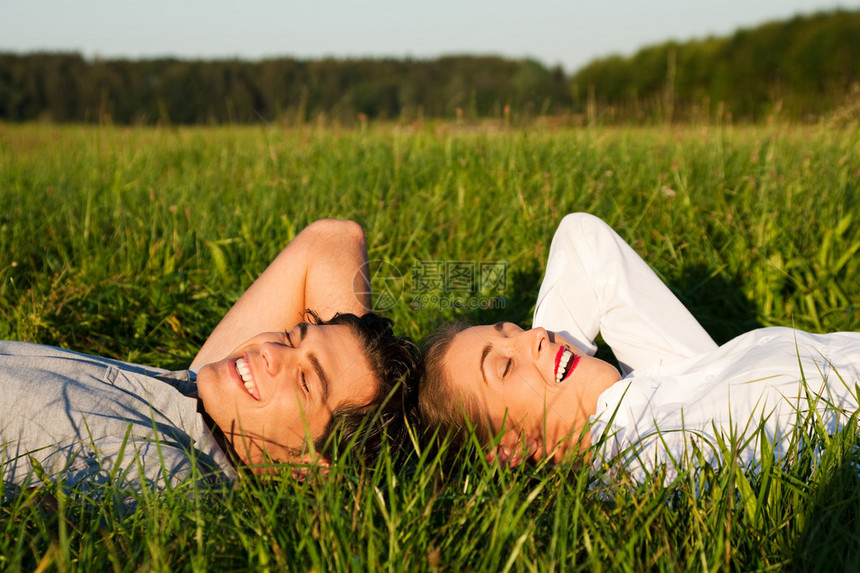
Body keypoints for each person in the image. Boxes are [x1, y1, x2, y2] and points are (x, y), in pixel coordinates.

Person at [419, 213, 860, 482]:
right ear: (510, 448)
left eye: (510, 329)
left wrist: (545, 365)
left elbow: (583, 239)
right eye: (503, 367)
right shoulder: (655, 456)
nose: (533, 335)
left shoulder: (653, 385)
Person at [1, 219, 420, 491]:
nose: (271, 349)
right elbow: (332, 240)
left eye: (306, 380)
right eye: (293, 337)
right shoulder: (199, 397)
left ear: (308, 468)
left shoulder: (164, 477)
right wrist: (381, 385)